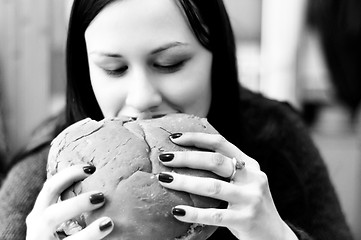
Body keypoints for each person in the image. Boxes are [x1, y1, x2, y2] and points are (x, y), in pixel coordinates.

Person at [0, 0, 354, 239]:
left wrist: (279, 235)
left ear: (217, 56)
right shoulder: (44, 180)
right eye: (114, 68)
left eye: (169, 64)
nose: (141, 97)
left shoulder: (275, 137)